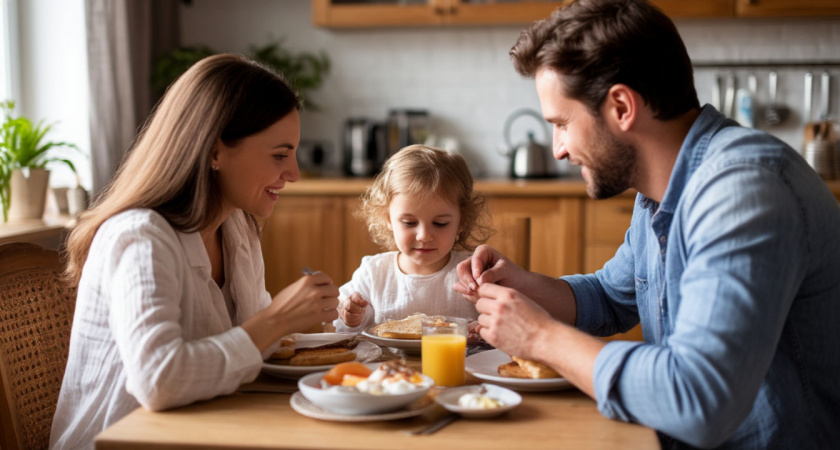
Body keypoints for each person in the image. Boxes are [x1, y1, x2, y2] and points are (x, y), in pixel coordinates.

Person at [455, 1, 840, 448]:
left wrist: (540, 336)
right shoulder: (658, 191)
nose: (558, 149)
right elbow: (608, 297)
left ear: (621, 106)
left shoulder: (741, 193)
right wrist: (524, 285)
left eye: (562, 124)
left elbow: (697, 401)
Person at [51, 54, 340, 449]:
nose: (294, 173)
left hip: (207, 429)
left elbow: (251, 346)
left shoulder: (238, 228)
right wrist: (276, 319)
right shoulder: (141, 237)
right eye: (279, 154)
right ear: (215, 151)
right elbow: (159, 381)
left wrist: (334, 340)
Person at [334, 145, 493, 333]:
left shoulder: (473, 273)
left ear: (461, 222)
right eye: (409, 223)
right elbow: (341, 325)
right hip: (385, 363)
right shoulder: (373, 273)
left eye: (440, 223)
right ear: (388, 219)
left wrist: (484, 329)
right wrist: (349, 316)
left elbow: (499, 324)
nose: (424, 236)